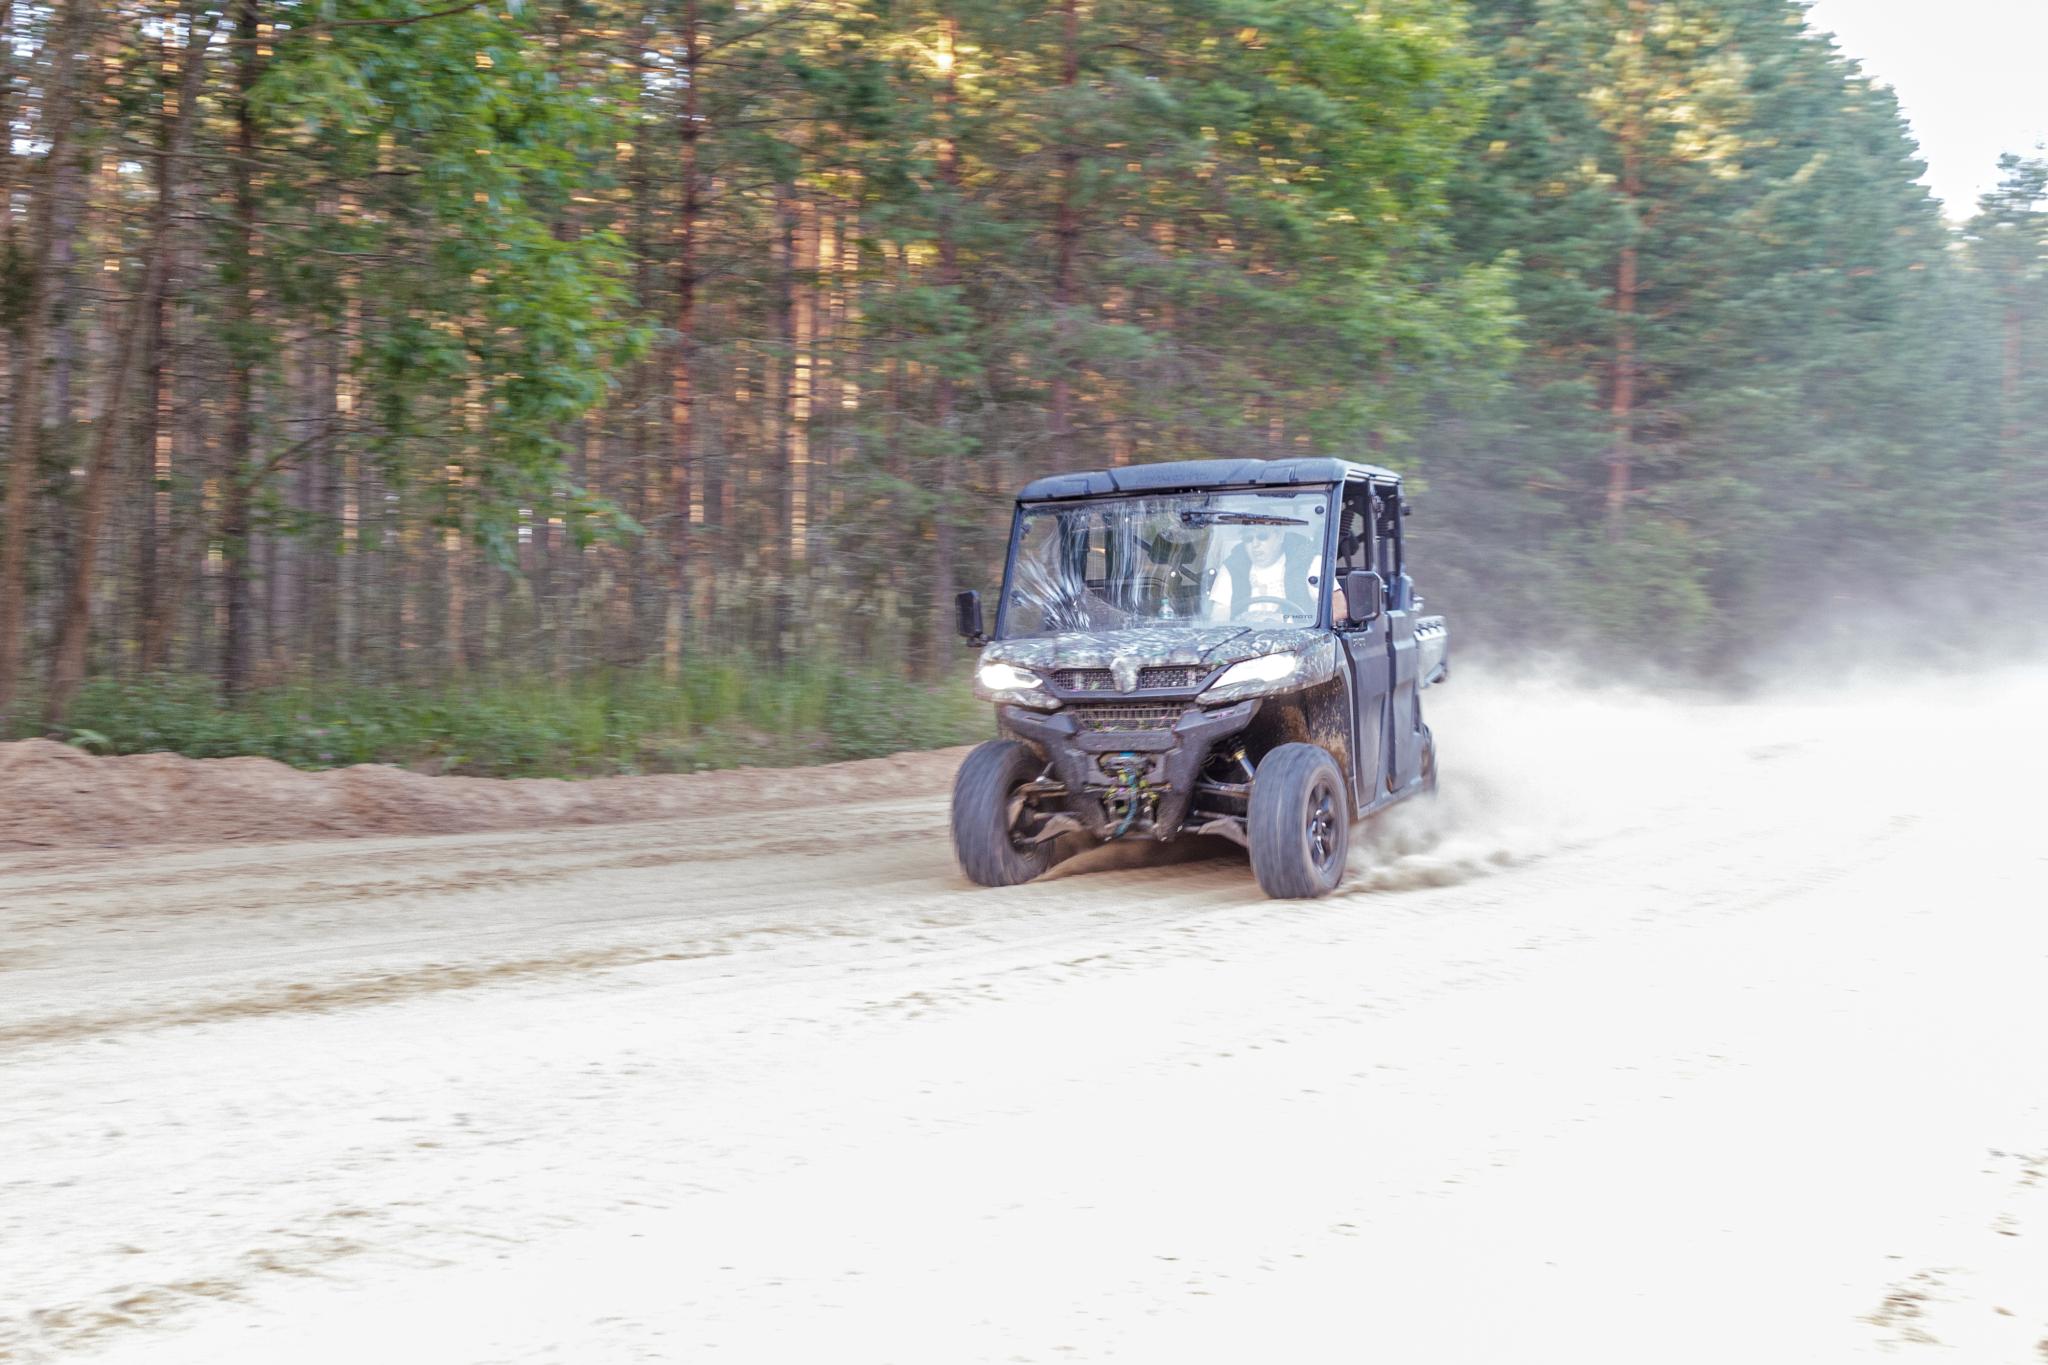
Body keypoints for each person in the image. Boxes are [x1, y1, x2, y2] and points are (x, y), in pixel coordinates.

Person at [1204, 525, 1321, 623]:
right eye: (1249, 539)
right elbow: (1220, 614)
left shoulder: (1309, 561)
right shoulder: (1231, 567)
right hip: (1243, 639)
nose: (1255, 544)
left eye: (1262, 536)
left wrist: (1284, 619)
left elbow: (1338, 608)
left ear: (1280, 536)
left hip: (1298, 639)